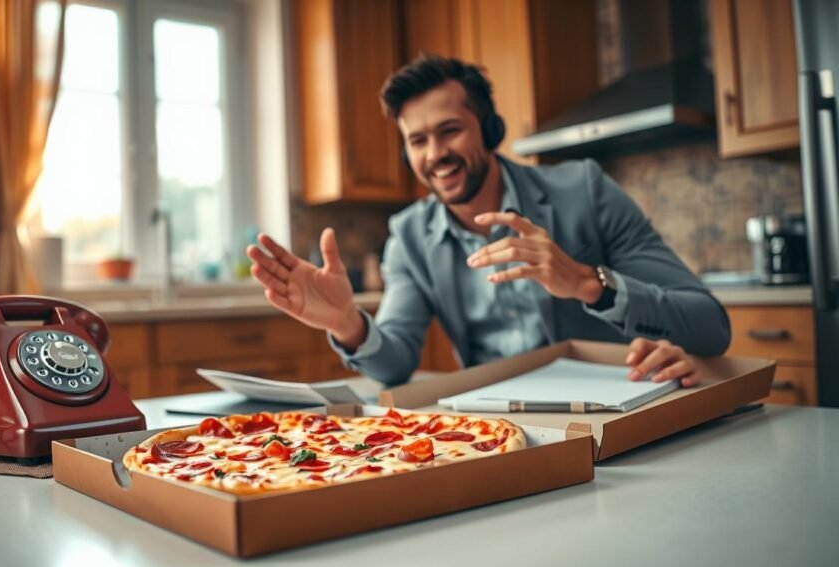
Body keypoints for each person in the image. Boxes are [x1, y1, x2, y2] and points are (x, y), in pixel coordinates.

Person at [247, 55, 730, 387]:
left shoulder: (584, 190)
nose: (436, 155)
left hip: (614, 412)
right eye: (417, 141)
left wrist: (587, 282)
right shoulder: (410, 237)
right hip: (501, 430)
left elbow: (711, 327)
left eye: (450, 131)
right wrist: (347, 323)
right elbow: (394, 364)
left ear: (490, 128)